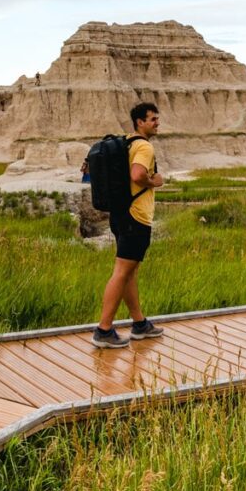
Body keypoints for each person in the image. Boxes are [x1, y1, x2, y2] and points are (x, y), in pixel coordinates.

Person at [93, 102, 165, 348]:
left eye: (157, 118)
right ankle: (104, 330)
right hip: (136, 217)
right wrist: (154, 182)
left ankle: (140, 324)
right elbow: (137, 175)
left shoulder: (126, 142)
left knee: (129, 272)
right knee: (122, 272)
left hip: (120, 214)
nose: (157, 122)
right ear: (140, 122)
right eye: (152, 119)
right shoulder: (144, 146)